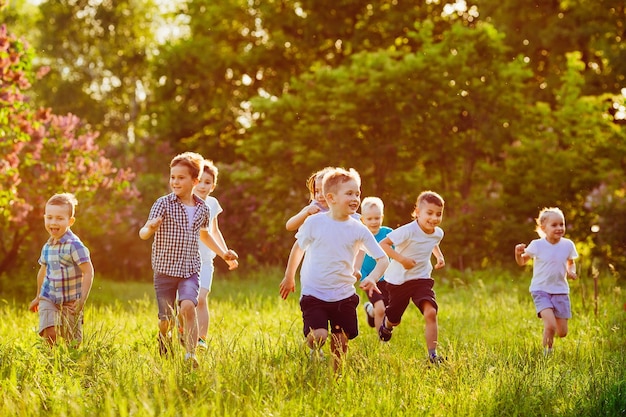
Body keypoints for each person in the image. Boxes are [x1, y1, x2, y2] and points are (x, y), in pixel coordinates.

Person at [279, 167, 390, 373]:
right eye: (349, 193)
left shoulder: (359, 228)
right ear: (331, 198)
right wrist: (289, 276)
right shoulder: (314, 222)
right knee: (319, 336)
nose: (356, 198)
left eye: (357, 193)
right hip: (315, 292)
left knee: (340, 343)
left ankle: (335, 379)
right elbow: (298, 248)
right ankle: (310, 353)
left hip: (344, 295)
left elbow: (382, 259)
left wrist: (373, 277)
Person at [139, 152, 237, 368]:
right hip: (164, 270)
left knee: (188, 307)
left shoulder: (203, 209)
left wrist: (223, 253)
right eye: (172, 177)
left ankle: (190, 355)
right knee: (166, 320)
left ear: (194, 181)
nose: (175, 181)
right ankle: (164, 337)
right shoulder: (162, 204)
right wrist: (150, 228)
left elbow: (205, 235)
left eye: (180, 178)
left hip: (190, 269)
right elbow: (143, 233)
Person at [378, 191, 446, 364]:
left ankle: (433, 355)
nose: (434, 218)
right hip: (398, 280)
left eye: (438, 214)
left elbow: (433, 242)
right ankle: (386, 325)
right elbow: (383, 244)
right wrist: (402, 260)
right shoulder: (407, 231)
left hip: (421, 278)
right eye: (429, 213)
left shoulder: (437, 232)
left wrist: (439, 256)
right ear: (417, 212)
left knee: (431, 312)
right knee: (395, 319)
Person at [28, 193, 94, 347]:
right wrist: (38, 296)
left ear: (70, 221)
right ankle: (51, 364)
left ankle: (69, 366)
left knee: (73, 344)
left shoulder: (75, 245)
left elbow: (88, 271)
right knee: (49, 333)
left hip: (71, 302)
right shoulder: (47, 246)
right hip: (49, 297)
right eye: (49, 217)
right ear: (44, 218)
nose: (53, 222)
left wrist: (82, 299)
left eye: (59, 218)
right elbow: (42, 271)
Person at [514, 207, 578, 356]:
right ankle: (546, 354)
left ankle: (552, 339)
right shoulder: (537, 245)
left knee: (562, 332)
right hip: (540, 290)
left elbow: (571, 262)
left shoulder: (568, 245)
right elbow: (522, 261)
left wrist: (571, 271)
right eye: (554, 225)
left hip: (561, 291)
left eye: (561, 224)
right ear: (543, 228)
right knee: (550, 326)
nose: (559, 228)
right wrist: (518, 254)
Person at [193, 159, 239, 351]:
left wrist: (225, 253)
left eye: (207, 182)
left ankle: (201, 339)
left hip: (205, 261)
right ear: (193, 181)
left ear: (213, 186)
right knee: (186, 302)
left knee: (202, 298)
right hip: (185, 260)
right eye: (200, 181)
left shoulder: (212, 203)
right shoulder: (185, 202)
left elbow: (214, 230)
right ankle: (183, 330)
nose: (203, 186)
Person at [354, 196, 393, 331]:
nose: (373, 222)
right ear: (363, 219)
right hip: (369, 279)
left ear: (382, 217)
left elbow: (399, 250)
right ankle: (381, 338)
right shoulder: (361, 235)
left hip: (388, 278)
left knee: (388, 309)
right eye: (369, 219)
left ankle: (370, 310)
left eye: (377, 218)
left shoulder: (388, 233)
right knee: (380, 309)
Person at [285, 167, 332, 231]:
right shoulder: (313, 209)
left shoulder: (343, 210)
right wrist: (307, 213)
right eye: (316, 191)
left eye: (323, 191)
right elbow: (289, 226)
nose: (319, 195)